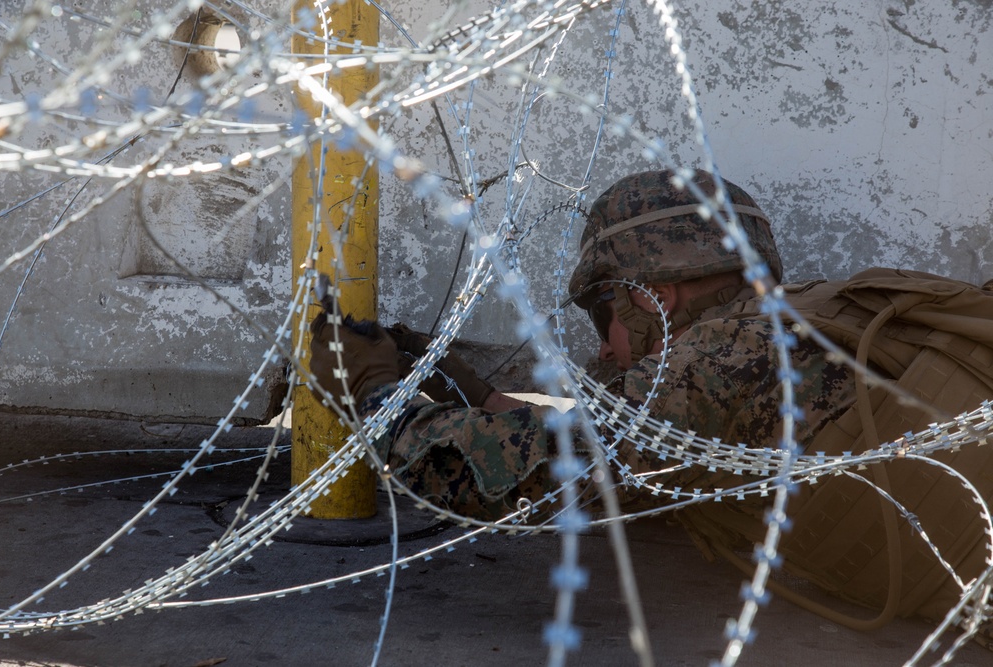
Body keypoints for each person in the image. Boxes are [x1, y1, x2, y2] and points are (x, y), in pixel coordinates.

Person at [308, 169, 993, 640]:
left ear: (651, 298)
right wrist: (460, 383)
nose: (603, 350)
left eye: (603, 315)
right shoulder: (790, 325)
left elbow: (501, 478)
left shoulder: (719, 361)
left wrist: (371, 390)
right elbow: (595, 430)